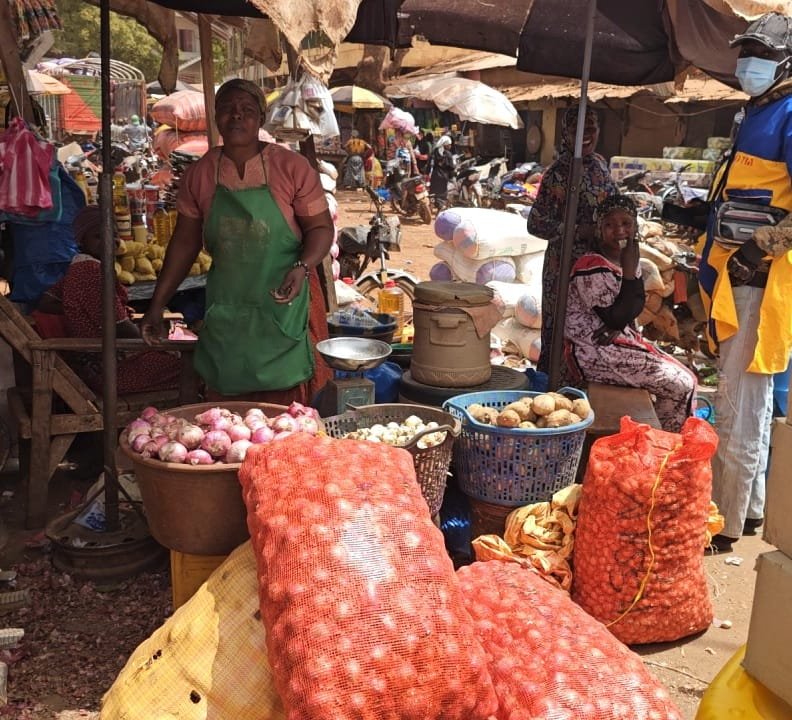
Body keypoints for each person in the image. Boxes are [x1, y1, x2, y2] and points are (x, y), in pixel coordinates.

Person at [140, 78, 334, 406]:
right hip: (229, 304)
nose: (237, 116)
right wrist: (156, 306)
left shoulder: (291, 167)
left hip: (286, 298)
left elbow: (321, 228)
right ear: (216, 117)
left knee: (288, 404)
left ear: (261, 118)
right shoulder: (200, 174)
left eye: (247, 109)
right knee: (228, 404)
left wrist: (303, 267)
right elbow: (184, 244)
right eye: (228, 109)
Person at [698, 11, 792, 554]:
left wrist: (758, 248)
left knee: (739, 401)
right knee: (746, 397)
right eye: (745, 52)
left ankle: (724, 521)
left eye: (761, 54)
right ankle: (749, 508)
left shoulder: (788, 113)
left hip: (759, 278)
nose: (747, 63)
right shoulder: (755, 112)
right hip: (736, 276)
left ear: (785, 62)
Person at [565, 195, 696, 433]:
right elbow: (617, 316)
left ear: (635, 226)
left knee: (686, 377)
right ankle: (664, 442)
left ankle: (660, 440)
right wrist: (618, 316)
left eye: (626, 223)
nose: (619, 231)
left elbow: (633, 306)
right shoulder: (590, 265)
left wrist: (618, 322)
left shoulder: (629, 258)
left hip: (616, 344)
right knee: (681, 383)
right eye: (610, 225)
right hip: (593, 351)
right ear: (599, 229)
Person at [32, 205, 182, 395]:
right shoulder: (91, 271)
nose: (108, 241)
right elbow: (120, 326)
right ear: (82, 240)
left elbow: (46, 302)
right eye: (98, 236)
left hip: (99, 365)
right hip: (113, 370)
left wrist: (79, 308)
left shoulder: (78, 266)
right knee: (193, 364)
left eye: (113, 235)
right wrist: (163, 346)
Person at [526, 105, 617, 377]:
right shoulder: (558, 174)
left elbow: (615, 205)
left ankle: (586, 388)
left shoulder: (601, 167)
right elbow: (535, 223)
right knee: (562, 329)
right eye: (577, 129)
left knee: (594, 328)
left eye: (590, 128)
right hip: (564, 269)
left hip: (598, 269)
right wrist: (577, 230)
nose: (585, 135)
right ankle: (553, 385)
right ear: (566, 133)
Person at [429, 134, 455, 208]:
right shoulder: (448, 154)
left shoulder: (434, 152)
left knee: (434, 193)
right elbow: (451, 167)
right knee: (442, 194)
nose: (450, 146)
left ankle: (433, 207)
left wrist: (427, 173)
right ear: (445, 145)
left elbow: (429, 164)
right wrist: (452, 177)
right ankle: (440, 208)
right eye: (449, 145)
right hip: (443, 177)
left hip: (434, 176)